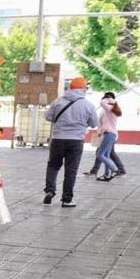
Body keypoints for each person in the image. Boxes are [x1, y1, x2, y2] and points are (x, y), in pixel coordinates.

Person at [43, 76, 98, 208]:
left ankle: (50, 191)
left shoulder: (58, 101)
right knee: (71, 170)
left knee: (53, 166)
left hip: (58, 138)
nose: (86, 89)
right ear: (82, 88)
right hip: (76, 140)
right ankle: (67, 200)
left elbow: (48, 117)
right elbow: (94, 124)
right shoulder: (88, 105)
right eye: (86, 87)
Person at [85, 92, 125, 178]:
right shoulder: (111, 109)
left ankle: (115, 169)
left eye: (106, 98)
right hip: (110, 134)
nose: (104, 99)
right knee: (106, 155)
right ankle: (107, 174)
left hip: (109, 134)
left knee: (100, 154)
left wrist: (108, 98)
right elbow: (103, 123)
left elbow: (102, 102)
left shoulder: (110, 108)